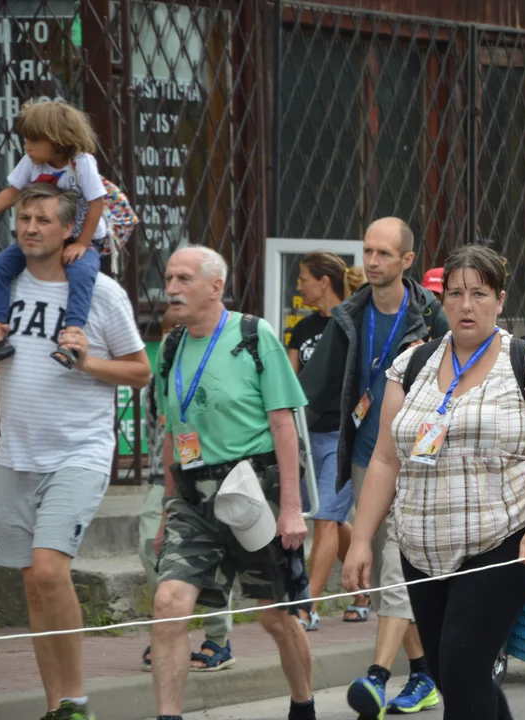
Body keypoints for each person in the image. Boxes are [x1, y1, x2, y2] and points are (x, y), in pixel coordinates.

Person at [343, 243, 525, 719]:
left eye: (480, 294)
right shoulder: (412, 364)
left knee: (464, 664)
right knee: (450, 673)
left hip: (500, 540)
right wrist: (361, 539)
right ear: (441, 300)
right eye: (456, 294)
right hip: (420, 548)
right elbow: (385, 460)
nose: (467, 306)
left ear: (500, 299)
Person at [0, 183, 150, 720]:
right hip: (16, 455)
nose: (29, 227)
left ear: (69, 231)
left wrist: (87, 364)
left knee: (50, 571)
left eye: (43, 220)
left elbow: (140, 372)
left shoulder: (101, 293)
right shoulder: (1, 284)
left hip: (79, 451)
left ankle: (76, 699)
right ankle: (57, 706)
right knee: (32, 584)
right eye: (24, 219)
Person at [149, 246, 315, 720]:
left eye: (184, 278)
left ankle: (303, 707)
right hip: (192, 497)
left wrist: (290, 508)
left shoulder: (253, 334)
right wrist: (166, 507)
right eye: (169, 277)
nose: (173, 288)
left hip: (252, 493)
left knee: (275, 617)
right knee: (169, 604)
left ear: (215, 286)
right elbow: (171, 429)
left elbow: (284, 426)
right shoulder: (174, 346)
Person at [299, 217, 449, 717]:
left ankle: (377, 676)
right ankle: (425, 675)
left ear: (407, 261)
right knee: (392, 567)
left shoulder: (431, 318)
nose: (373, 261)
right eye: (367, 251)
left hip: (417, 460)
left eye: (384, 253)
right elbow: (314, 388)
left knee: (393, 570)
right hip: (366, 459)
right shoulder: (349, 315)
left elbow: (463, 377)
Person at [0, 99, 112, 369]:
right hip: (45, 236)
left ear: (58, 140)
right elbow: (12, 193)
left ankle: (71, 338)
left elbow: (97, 203)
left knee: (81, 273)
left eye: (34, 140)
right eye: (26, 139)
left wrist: (83, 244)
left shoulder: (82, 163)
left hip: (81, 237)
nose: (26, 146)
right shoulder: (31, 162)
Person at [138, 310, 236, 673]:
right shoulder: (159, 381)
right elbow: (168, 427)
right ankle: (167, 630)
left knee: (210, 559)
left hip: (208, 480)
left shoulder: (209, 374)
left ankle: (218, 640)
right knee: (151, 547)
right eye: (171, 334)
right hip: (163, 479)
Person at [286, 251, 370, 629]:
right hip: (308, 436)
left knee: (324, 520)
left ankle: (309, 605)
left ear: (324, 282)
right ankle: (363, 591)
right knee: (330, 520)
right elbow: (291, 380)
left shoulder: (354, 323)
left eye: (304, 278)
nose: (299, 285)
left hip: (343, 435)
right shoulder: (303, 329)